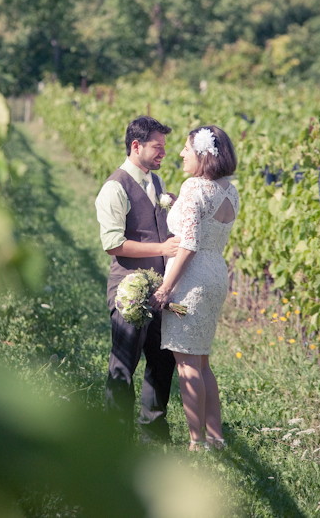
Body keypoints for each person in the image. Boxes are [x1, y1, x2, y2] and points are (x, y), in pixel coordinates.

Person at [151, 125, 239, 451]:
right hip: (216, 271)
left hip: (191, 278)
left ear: (201, 153)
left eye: (186, 148)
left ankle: (196, 442)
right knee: (202, 362)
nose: (180, 154)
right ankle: (216, 438)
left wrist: (164, 288)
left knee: (187, 365)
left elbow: (187, 244)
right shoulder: (229, 190)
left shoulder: (193, 188)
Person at [95, 116, 180, 443]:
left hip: (161, 289)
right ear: (136, 145)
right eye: (157, 147)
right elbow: (112, 244)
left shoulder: (155, 183)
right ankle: (115, 439)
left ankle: (153, 433)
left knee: (163, 360)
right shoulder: (114, 187)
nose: (163, 153)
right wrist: (161, 247)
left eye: (165, 147)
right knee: (123, 364)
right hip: (128, 289)